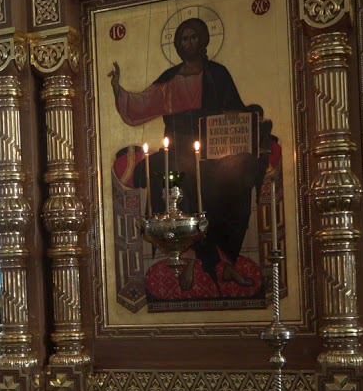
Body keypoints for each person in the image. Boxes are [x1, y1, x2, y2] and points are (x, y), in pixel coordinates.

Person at [110, 17, 272, 291]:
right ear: (177, 44)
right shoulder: (170, 79)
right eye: (184, 39)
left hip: (216, 151)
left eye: (193, 37)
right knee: (176, 179)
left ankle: (226, 262)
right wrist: (118, 89)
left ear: (204, 40)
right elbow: (141, 105)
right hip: (179, 151)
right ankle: (197, 261)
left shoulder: (217, 74)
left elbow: (237, 111)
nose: (189, 43)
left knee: (238, 181)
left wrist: (251, 116)